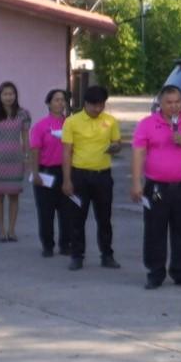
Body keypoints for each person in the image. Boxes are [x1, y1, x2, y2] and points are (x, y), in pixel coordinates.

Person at [131, 84, 181, 289]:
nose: (174, 107)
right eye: (169, 102)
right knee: (154, 231)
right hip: (157, 188)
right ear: (160, 103)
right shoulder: (148, 124)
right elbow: (139, 153)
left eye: (178, 102)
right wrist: (136, 182)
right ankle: (155, 273)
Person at [59, 84, 122, 269]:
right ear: (85, 103)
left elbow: (117, 143)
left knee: (105, 218)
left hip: (103, 176)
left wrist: (115, 147)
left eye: (101, 105)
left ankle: (107, 255)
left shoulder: (110, 121)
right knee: (77, 217)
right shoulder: (72, 122)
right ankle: (77, 255)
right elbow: (66, 152)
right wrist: (67, 179)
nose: (97, 109)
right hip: (79, 176)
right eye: (94, 105)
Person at [0, 81, 33, 242]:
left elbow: (25, 137)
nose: (9, 97)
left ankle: (12, 230)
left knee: (14, 195)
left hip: (16, 159)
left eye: (11, 94)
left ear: (15, 95)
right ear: (0, 96)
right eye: (5, 94)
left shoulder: (23, 114)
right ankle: (1, 230)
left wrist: (27, 157)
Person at [31, 88, 71, 257]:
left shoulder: (70, 124)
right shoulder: (40, 126)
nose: (60, 103)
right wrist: (35, 173)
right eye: (56, 100)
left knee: (67, 211)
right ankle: (47, 245)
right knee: (46, 212)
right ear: (48, 103)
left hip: (65, 171)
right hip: (46, 172)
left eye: (63, 100)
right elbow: (35, 150)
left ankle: (65, 244)